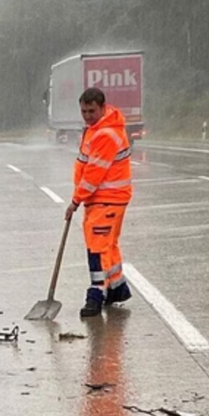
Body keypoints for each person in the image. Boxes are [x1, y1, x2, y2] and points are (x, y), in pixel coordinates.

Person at [64, 87, 134, 317]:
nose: (87, 115)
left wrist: (75, 200)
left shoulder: (105, 134)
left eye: (92, 111)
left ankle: (96, 293)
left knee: (97, 247)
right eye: (84, 111)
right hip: (104, 200)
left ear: (103, 108)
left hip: (107, 199)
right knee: (108, 245)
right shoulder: (96, 129)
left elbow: (94, 173)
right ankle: (116, 288)